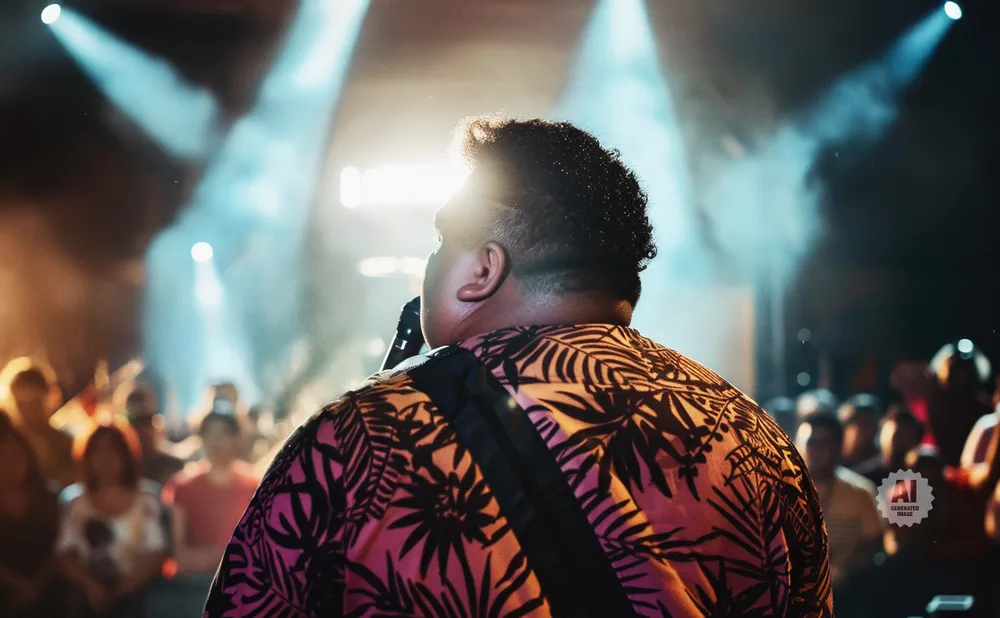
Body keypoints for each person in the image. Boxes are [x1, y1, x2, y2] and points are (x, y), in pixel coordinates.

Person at [204, 116, 832, 616]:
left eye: (440, 239)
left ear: (483, 269)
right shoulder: (753, 437)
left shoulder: (362, 438)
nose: (430, 263)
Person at [57, 422, 166, 617]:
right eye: (98, 453)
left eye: (113, 452)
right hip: (87, 600)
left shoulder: (146, 499)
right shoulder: (76, 502)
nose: (106, 460)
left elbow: (156, 553)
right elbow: (65, 553)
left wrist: (123, 589)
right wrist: (92, 587)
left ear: (126, 456)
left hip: (138, 598)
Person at [163, 412, 258, 578]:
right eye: (209, 433)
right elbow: (180, 554)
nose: (216, 441)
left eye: (223, 433)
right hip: (194, 585)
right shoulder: (183, 487)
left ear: (236, 438)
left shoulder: (253, 486)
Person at [795, 412, 882, 586]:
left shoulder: (860, 493)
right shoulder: (781, 490)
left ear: (838, 446)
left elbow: (873, 543)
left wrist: (843, 570)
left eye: (823, 443)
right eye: (810, 442)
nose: (815, 450)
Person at [0, 415, 63, 617]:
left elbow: (62, 548)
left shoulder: (50, 498)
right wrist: (19, 586)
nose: (7, 465)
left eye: (14, 456)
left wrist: (34, 586)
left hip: (49, 589)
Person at [1, 359, 76, 487]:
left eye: (35, 401)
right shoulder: (6, 445)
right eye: (22, 403)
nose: (29, 409)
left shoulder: (65, 443)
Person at [124, 386, 184, 486]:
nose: (141, 431)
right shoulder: (120, 469)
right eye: (134, 424)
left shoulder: (172, 467)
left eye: (146, 422)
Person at [838, 394, 883, 485]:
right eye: (854, 423)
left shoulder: (883, 464)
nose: (860, 429)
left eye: (867, 423)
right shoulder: (831, 459)